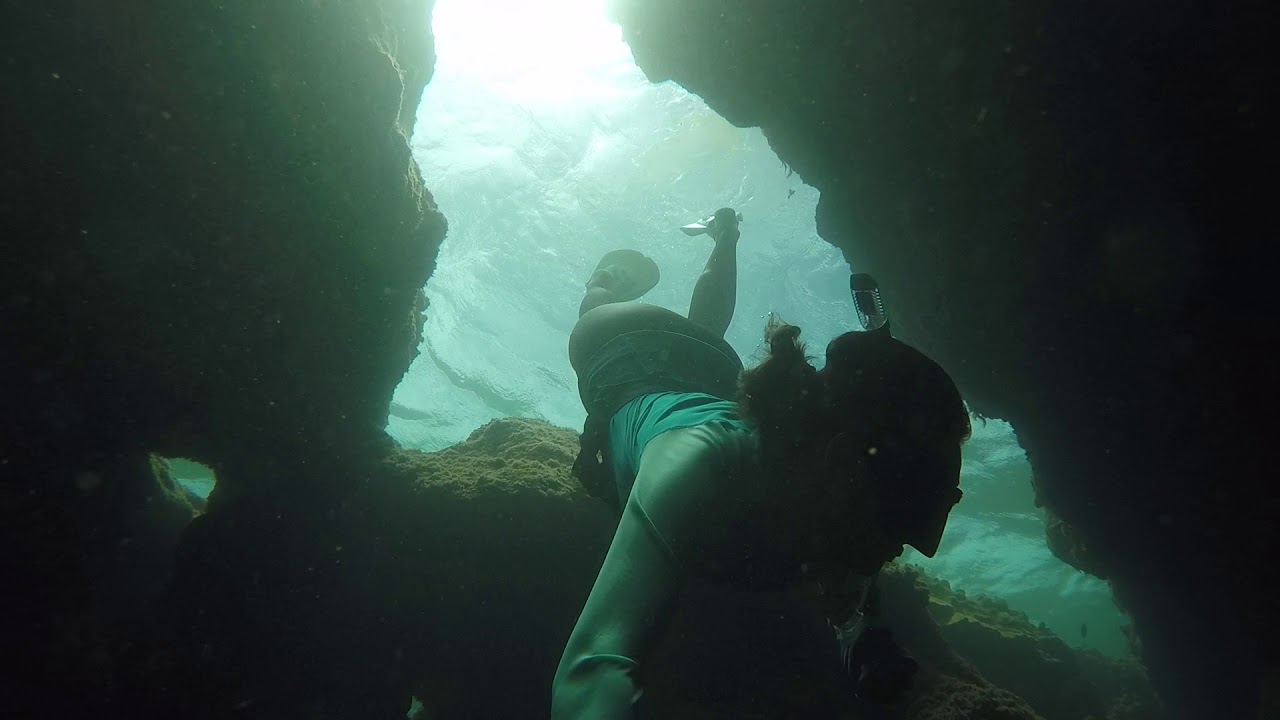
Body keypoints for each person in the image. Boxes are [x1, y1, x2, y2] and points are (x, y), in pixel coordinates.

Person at [551, 208, 971, 719]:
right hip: (619, 347)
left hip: (710, 371)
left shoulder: (843, 505)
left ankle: (725, 235)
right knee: (593, 314)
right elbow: (593, 662)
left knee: (706, 330)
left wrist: (860, 635)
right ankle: (608, 281)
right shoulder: (696, 464)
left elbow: (850, 589)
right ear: (841, 463)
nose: (915, 544)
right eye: (913, 505)